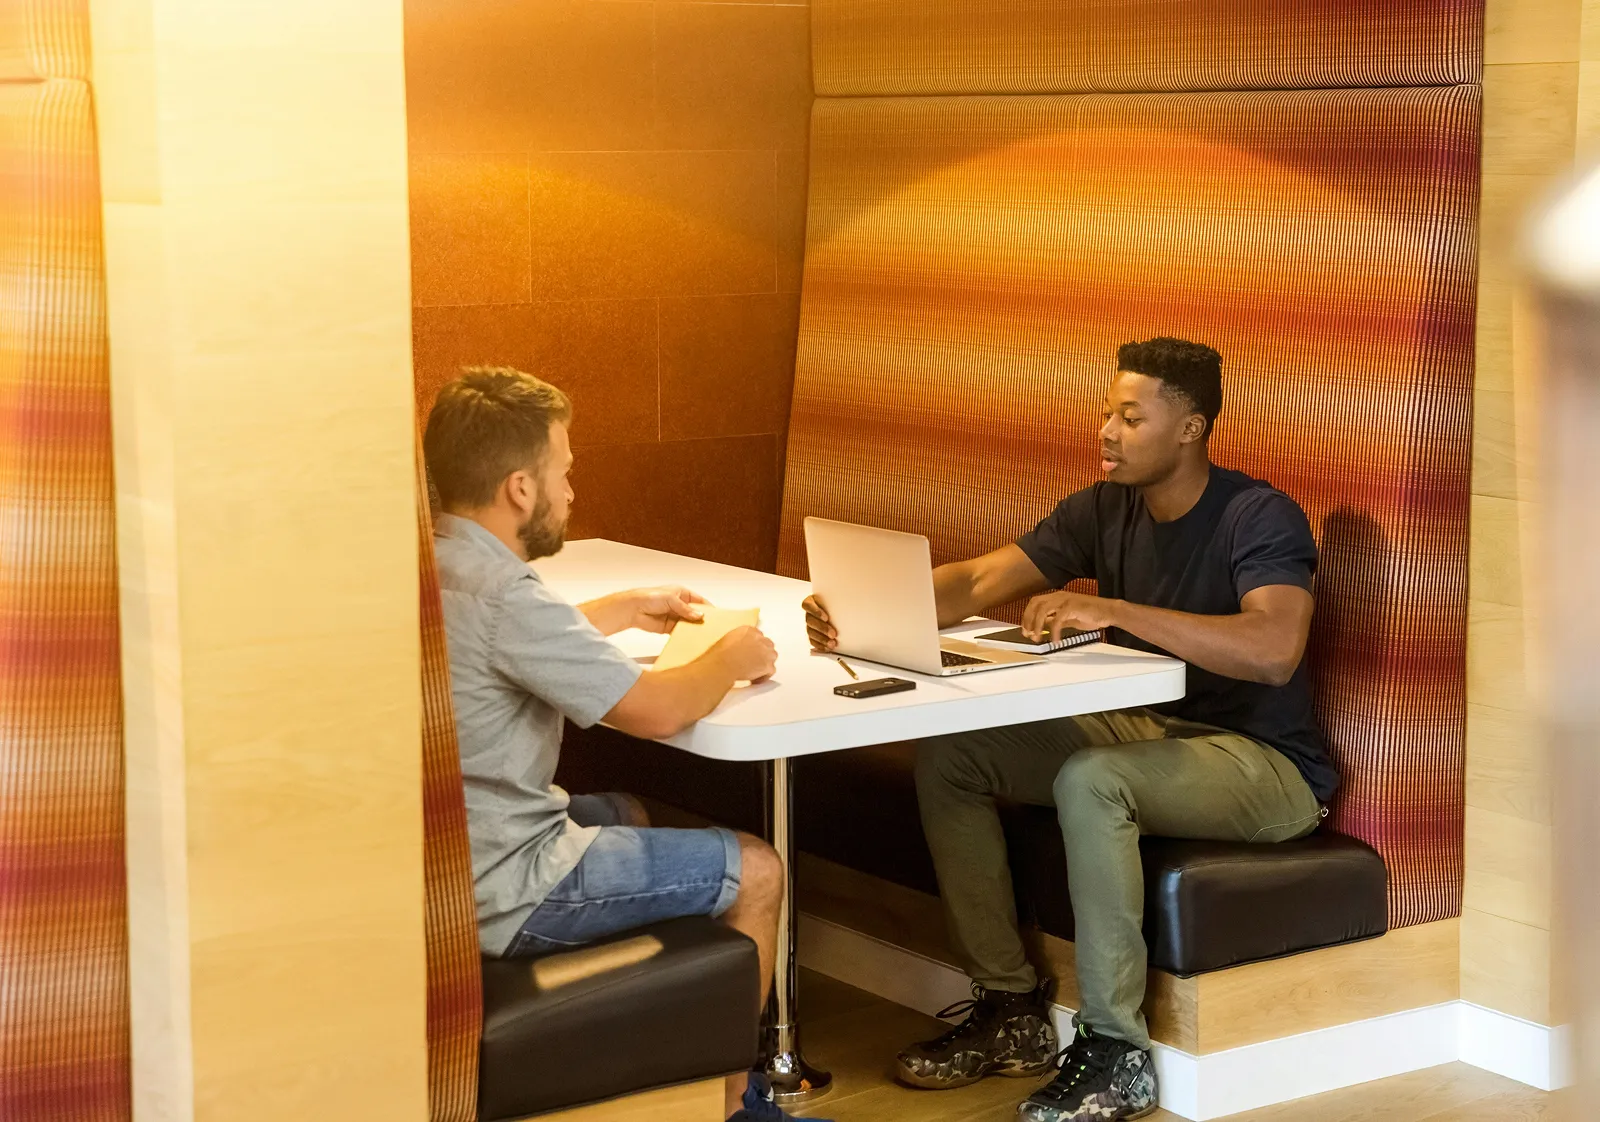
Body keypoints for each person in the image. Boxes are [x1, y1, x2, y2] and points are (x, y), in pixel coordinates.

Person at [804, 337, 1339, 1122]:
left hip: (1263, 765)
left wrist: (1117, 611)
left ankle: (1117, 1052)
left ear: (1190, 428)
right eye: (1106, 411)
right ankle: (1013, 1008)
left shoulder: (1256, 516)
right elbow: (984, 578)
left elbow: (1272, 649)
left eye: (1130, 416)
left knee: (1092, 779)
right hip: (1150, 726)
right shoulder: (1106, 506)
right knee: (957, 758)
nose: (1107, 431)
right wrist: (866, 606)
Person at [425, 367, 824, 1122]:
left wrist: (618, 609)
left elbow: (506, 641)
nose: (570, 493)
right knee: (758, 869)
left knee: (626, 810)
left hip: (444, 863)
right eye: (563, 473)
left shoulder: (434, 564)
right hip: (507, 883)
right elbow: (658, 711)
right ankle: (740, 1105)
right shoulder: (509, 594)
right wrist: (730, 657)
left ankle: (660, 1064)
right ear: (519, 488)